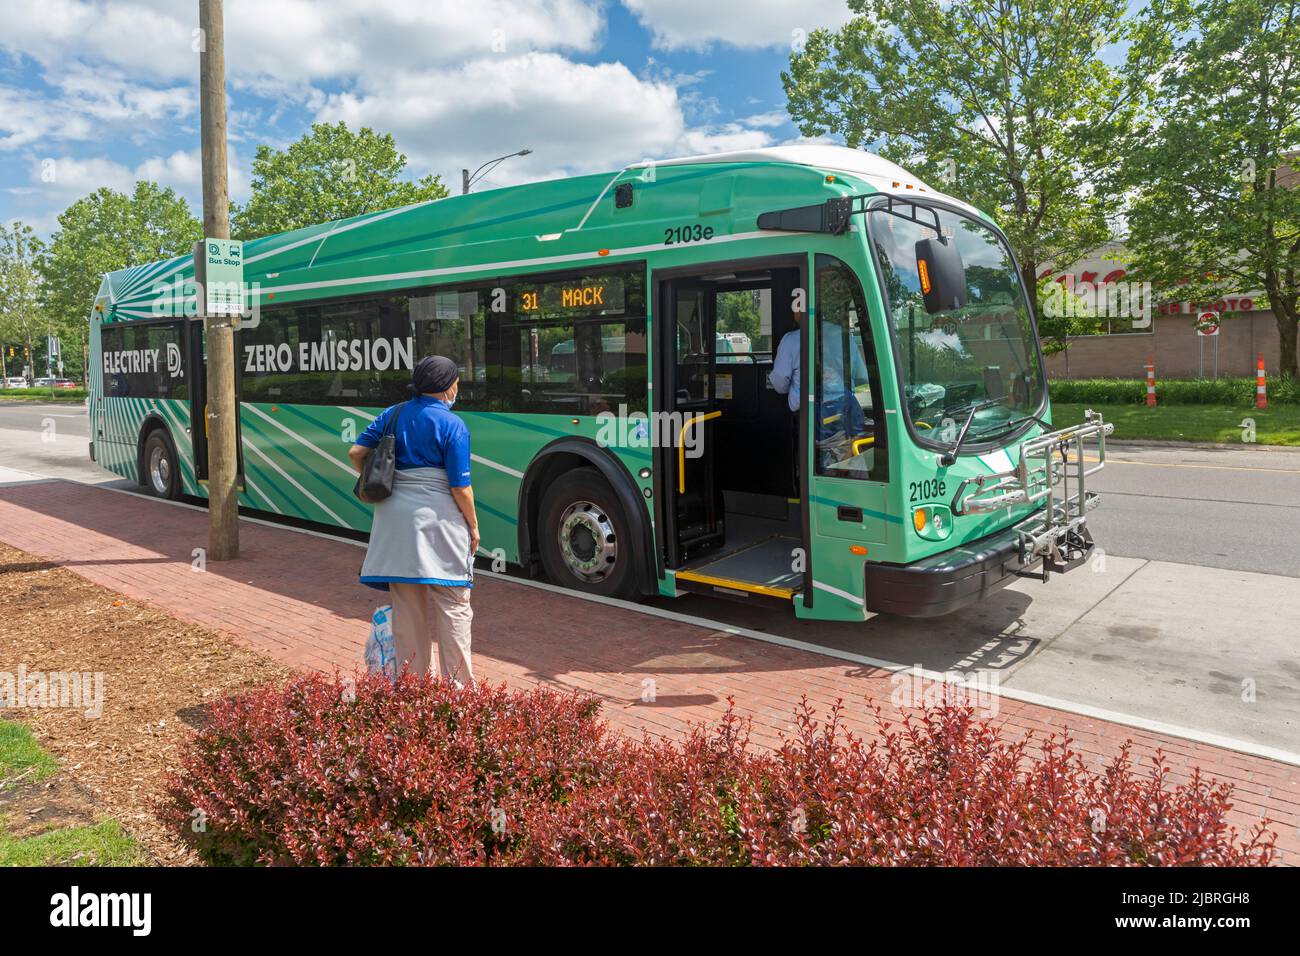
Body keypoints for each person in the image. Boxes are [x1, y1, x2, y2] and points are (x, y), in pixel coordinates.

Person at [349, 355, 480, 684]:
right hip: (440, 521)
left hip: (394, 522)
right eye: (456, 383)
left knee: (407, 608)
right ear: (447, 387)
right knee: (453, 602)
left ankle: (415, 688)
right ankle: (460, 693)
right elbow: (460, 487)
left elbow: (356, 453)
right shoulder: (453, 425)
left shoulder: (392, 414)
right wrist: (474, 527)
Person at [768, 308, 870, 438]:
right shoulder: (843, 335)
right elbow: (861, 375)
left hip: (811, 413)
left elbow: (779, 383)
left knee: (820, 452)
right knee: (846, 448)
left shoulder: (792, 340)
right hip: (846, 406)